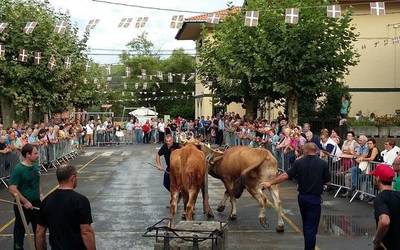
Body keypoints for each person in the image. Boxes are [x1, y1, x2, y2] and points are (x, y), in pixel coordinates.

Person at [260, 143, 330, 250]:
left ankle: (308, 243)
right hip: (314, 198)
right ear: (315, 151)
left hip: (302, 197)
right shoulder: (323, 163)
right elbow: (328, 180)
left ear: (306, 151)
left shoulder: (299, 162)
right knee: (311, 227)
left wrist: (270, 183)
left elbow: (285, 175)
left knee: (306, 224)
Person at [36, 165, 96, 250]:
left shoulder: (47, 201)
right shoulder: (81, 201)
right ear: (73, 178)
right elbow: (86, 231)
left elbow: (39, 232)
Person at [8, 144, 44, 250]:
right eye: (35, 153)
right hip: (23, 206)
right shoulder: (18, 169)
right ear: (28, 155)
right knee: (20, 231)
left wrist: (40, 194)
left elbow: (37, 183)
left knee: (39, 230)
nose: (37, 155)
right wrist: (25, 201)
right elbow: (12, 188)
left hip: (37, 204)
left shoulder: (36, 166)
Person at [369, 164, 400, 250]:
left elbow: (384, 221)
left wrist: (377, 240)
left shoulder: (380, 198)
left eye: (374, 176)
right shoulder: (398, 195)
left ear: (378, 178)